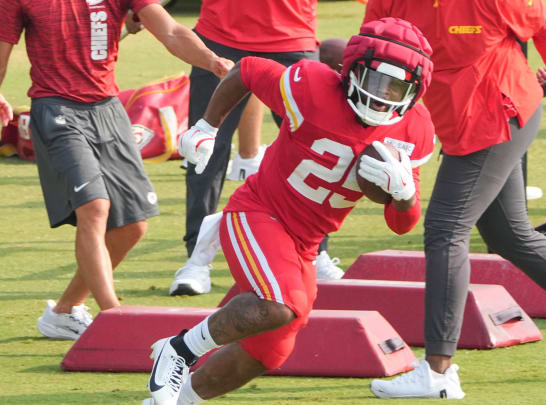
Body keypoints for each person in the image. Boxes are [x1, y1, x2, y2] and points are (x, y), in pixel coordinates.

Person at [142, 17, 435, 405]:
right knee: (283, 305)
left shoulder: (413, 131)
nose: (383, 97)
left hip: (305, 244)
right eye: (375, 81)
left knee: (271, 350)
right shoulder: (313, 88)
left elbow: (403, 224)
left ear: (414, 91)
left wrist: (404, 194)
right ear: (351, 69)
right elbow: (246, 70)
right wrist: (206, 126)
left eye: (396, 87)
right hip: (259, 212)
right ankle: (179, 349)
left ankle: (180, 401)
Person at [363, 0, 546, 399]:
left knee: (445, 231)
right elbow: (374, 47)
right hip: (459, 125)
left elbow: (543, 21)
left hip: (501, 115)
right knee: (509, 234)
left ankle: (438, 371)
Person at [0, 0, 234, 340]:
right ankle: (114, 317)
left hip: (108, 110)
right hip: (56, 109)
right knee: (95, 208)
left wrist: (211, 60)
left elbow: (170, 30)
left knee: (132, 226)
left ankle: (64, 311)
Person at [171, 36, 349, 296]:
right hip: (222, 32)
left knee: (321, 146)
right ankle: (196, 261)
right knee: (205, 151)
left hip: (292, 36)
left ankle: (318, 253)